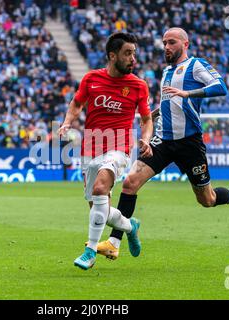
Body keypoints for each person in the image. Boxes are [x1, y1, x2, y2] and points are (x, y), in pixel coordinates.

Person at [94, 27, 229, 260]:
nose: (166, 47)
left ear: (185, 43)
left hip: (189, 143)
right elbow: (169, 103)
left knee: (207, 200)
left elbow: (221, 87)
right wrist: (151, 115)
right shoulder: (167, 72)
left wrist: (188, 94)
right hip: (163, 139)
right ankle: (114, 242)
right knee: (130, 183)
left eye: (171, 42)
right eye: (164, 43)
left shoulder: (196, 65)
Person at [58, 32, 154, 270]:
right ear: (113, 56)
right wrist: (67, 122)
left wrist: (145, 139)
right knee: (100, 209)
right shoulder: (91, 79)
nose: (133, 59)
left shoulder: (138, 85)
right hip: (90, 147)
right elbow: (77, 103)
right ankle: (131, 227)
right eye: (127, 53)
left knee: (101, 188)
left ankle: (90, 252)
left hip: (118, 147)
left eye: (134, 53)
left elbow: (146, 119)